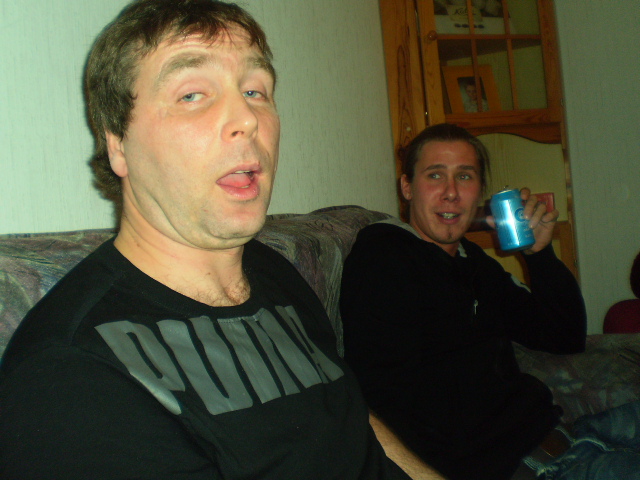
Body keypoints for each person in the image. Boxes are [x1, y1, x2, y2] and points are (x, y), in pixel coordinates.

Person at [0, 2, 434, 479]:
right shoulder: (71, 377)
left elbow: (351, 420)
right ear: (117, 145)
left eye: (254, 90)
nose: (247, 117)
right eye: (192, 94)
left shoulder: (271, 270)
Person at [340, 123, 587, 480]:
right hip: (525, 466)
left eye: (465, 176)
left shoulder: (472, 261)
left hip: (564, 436)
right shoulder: (384, 258)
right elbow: (383, 399)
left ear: (479, 192)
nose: (451, 193)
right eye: (435, 175)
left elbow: (564, 337)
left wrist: (539, 254)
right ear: (407, 187)